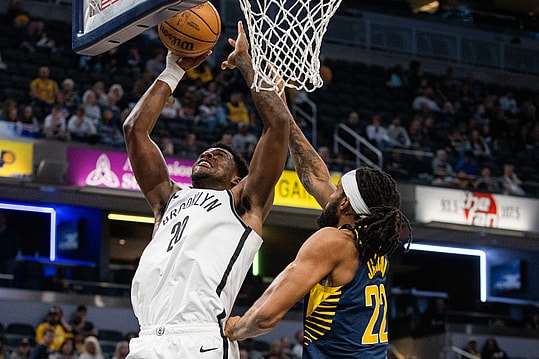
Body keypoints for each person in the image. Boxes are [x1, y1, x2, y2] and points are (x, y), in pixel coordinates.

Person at [122, 20, 290, 359]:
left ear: (236, 179)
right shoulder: (168, 200)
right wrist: (172, 70)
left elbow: (278, 126)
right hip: (146, 338)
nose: (208, 153)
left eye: (222, 155)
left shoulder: (244, 202)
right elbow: (135, 130)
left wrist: (246, 65)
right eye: (207, 152)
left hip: (199, 338)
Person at [224, 104, 412, 357]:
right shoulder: (374, 240)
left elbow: (266, 317)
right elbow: (315, 174)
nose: (330, 191)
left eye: (337, 191)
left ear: (345, 203)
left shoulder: (333, 241)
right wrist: (281, 108)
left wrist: (236, 328)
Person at [0, 211, 20, 285]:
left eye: (1, 218)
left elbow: (16, 246)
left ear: (4, 219)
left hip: (9, 259)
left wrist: (14, 258)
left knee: (9, 279)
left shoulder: (11, 233)